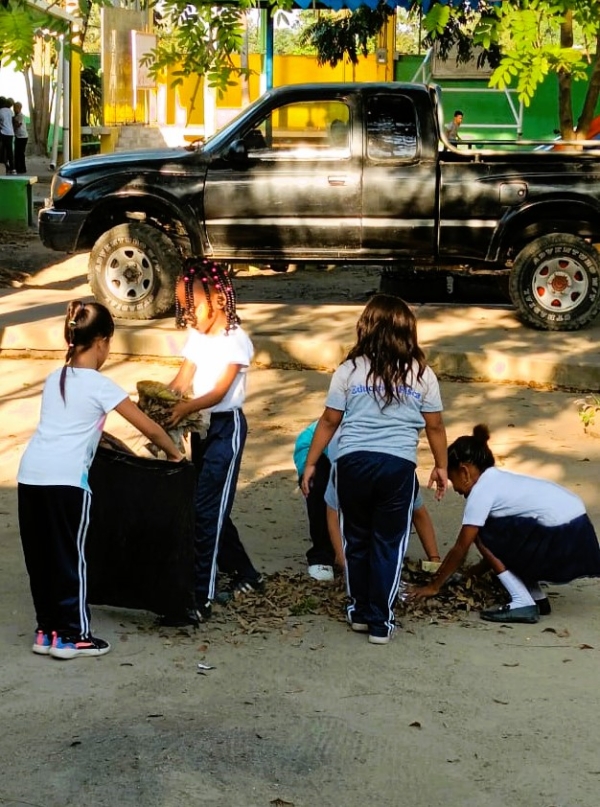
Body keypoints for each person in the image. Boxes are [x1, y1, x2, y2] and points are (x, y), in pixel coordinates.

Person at [17, 300, 185, 660]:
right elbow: (147, 426)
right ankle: (74, 635)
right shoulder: (100, 385)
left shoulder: (54, 379)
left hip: (31, 476)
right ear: (102, 342)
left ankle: (46, 631)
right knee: (71, 557)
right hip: (67, 482)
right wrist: (174, 454)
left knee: (42, 557)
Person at [301, 294, 448, 645]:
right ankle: (381, 620)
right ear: (408, 331)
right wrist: (441, 466)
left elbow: (329, 420)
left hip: (352, 462)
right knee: (388, 544)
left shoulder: (348, 370)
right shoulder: (422, 374)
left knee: (357, 539)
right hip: (397, 466)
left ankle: (359, 610)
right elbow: (436, 426)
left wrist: (311, 463)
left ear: (364, 328)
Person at [410, 424, 600, 623]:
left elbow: (461, 547)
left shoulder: (481, 491)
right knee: (500, 535)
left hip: (562, 538)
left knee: (481, 533)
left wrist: (434, 586)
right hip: (580, 532)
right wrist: (468, 574)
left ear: (464, 471)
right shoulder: (498, 479)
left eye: (452, 479)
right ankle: (537, 598)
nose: (455, 488)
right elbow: (504, 551)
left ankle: (522, 601)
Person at [167, 258, 263, 624]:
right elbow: (182, 378)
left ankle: (200, 597)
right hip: (200, 428)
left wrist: (185, 405)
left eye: (192, 306)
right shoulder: (197, 337)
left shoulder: (236, 341)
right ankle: (246, 575)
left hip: (226, 428)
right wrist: (162, 399)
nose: (188, 316)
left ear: (219, 299)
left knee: (208, 511)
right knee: (207, 504)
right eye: (183, 309)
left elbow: (220, 391)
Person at [294, 420, 442, 582]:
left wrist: (434, 559)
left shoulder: (401, 475)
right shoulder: (345, 466)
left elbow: (418, 513)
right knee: (318, 483)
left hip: (368, 454)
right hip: (319, 445)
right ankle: (321, 556)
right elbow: (332, 512)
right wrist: (344, 563)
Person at [0, 96, 16, 174]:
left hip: (3, 133)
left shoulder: (0, 111)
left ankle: (4, 167)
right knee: (10, 151)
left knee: (2, 151)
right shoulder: (10, 111)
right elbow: (13, 122)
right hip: (10, 133)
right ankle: (12, 168)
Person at [12, 101, 28, 174]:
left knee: (20, 153)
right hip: (18, 136)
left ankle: (22, 168)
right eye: (14, 108)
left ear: (20, 108)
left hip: (23, 137)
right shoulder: (16, 116)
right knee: (17, 153)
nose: (14, 109)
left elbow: (18, 125)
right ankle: (18, 167)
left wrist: (13, 122)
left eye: (16, 108)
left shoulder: (20, 116)